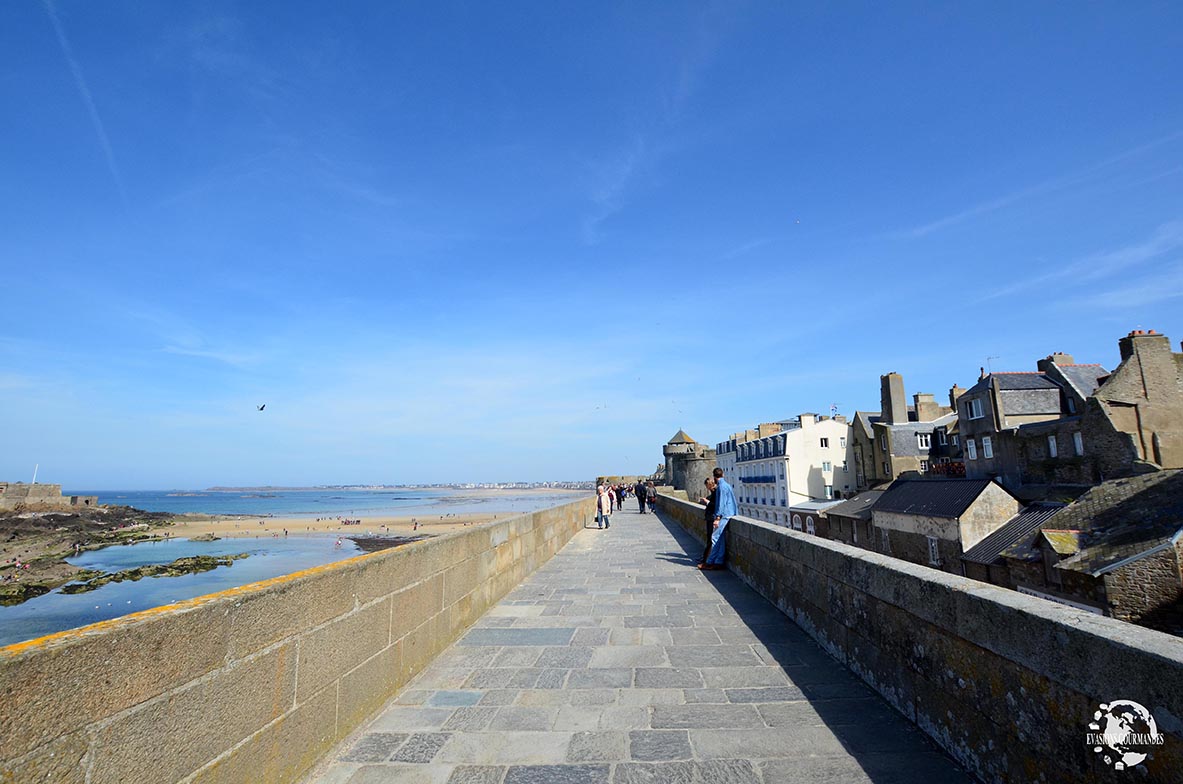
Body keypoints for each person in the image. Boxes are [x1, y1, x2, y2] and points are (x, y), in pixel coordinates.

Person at [700, 468, 736, 571]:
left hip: (725, 515)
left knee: (715, 537)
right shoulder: (727, 485)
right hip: (730, 512)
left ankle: (710, 562)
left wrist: (718, 518)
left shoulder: (721, 487)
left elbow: (721, 504)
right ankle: (718, 562)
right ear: (723, 474)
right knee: (720, 538)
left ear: (715, 477)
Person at [697, 476, 717, 565]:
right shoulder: (713, 492)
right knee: (709, 538)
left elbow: (715, 505)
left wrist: (707, 501)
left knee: (710, 539)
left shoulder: (716, 492)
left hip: (712, 518)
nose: (706, 488)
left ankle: (706, 559)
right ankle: (705, 557)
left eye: (706, 486)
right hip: (710, 517)